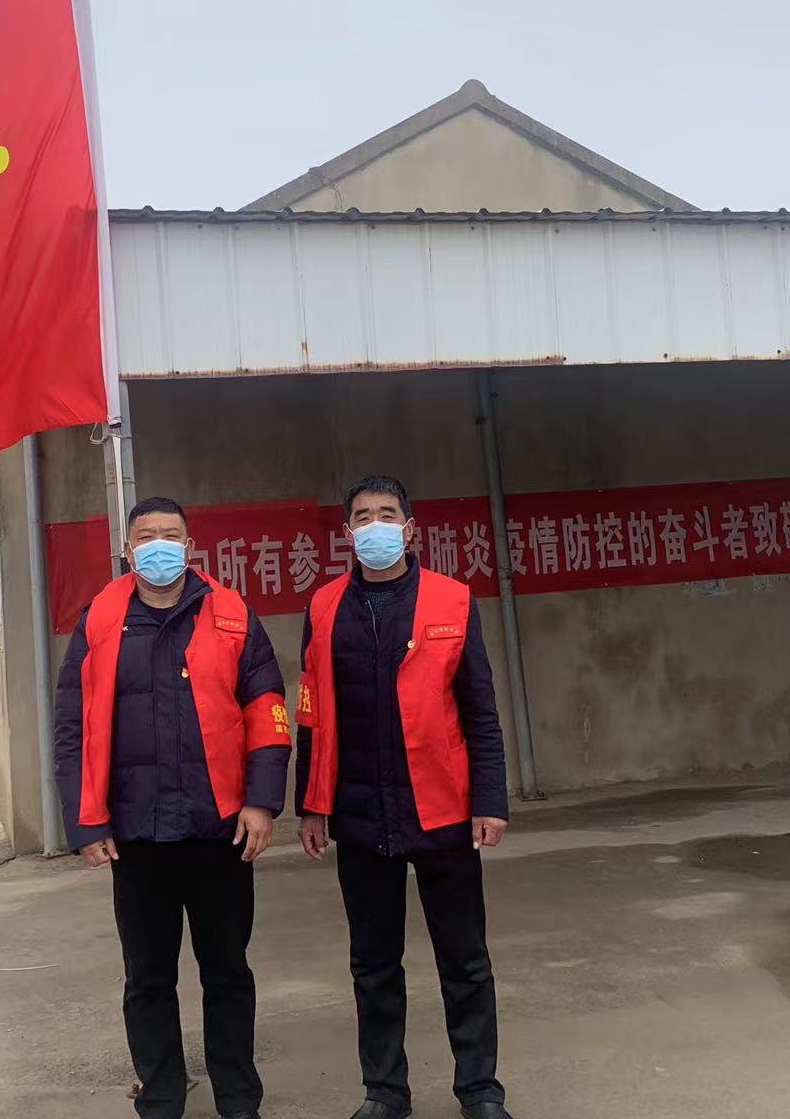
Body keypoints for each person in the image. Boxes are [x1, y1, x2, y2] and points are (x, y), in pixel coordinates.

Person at [54, 496, 291, 1119]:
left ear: (189, 546)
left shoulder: (231, 614)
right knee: (148, 979)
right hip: (137, 835)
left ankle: (238, 1100)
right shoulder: (100, 620)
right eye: (146, 535)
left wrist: (262, 801)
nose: (158, 545)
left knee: (228, 973)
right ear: (127, 549)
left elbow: (267, 710)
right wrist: (85, 820)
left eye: (170, 535)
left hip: (220, 830)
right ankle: (160, 1099)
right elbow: (71, 725)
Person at [295, 475, 515, 1119]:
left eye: (387, 514)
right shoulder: (325, 607)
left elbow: (480, 711)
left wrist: (490, 800)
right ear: (347, 533)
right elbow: (310, 711)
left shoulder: (452, 600)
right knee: (373, 965)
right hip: (360, 814)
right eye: (363, 516)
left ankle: (480, 1090)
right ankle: (385, 1092)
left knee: (465, 960)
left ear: (410, 528)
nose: (376, 526)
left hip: (441, 808)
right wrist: (312, 804)